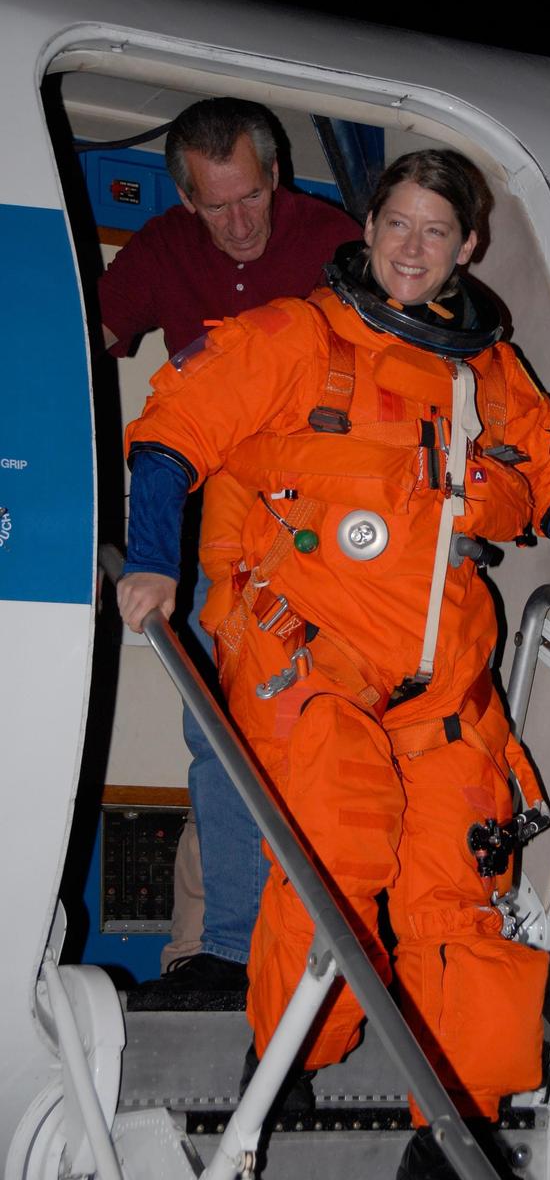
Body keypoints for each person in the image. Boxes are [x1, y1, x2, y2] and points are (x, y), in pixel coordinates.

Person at [117, 149, 550, 1177]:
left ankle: (457, 1129)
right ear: (367, 226)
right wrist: (154, 564)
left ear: (466, 248)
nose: (411, 246)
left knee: (458, 891)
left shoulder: (482, 370)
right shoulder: (295, 338)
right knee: (341, 850)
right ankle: (287, 1058)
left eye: (434, 232)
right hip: (314, 660)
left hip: (444, 683)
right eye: (396, 223)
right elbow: (172, 432)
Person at [101, 97, 360, 988]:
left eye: (251, 197)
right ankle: (223, 952)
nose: (239, 223)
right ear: (184, 200)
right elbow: (89, 344)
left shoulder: (336, 245)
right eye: (217, 207)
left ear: (276, 175)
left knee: (315, 740)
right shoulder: (163, 252)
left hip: (317, 538)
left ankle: (315, 955)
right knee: (216, 739)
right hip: (210, 534)